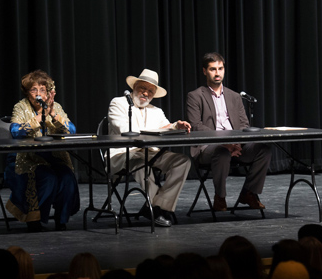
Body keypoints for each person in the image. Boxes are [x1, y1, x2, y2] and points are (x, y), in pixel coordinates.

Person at [186, 52, 271, 211]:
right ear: (205, 71)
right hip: (208, 147)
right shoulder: (195, 96)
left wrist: (236, 143)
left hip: (235, 144)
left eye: (220, 68)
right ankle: (220, 197)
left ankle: (249, 193)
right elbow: (196, 126)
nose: (217, 73)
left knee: (263, 149)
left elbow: (244, 124)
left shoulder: (234, 96)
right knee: (222, 151)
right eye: (212, 69)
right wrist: (226, 143)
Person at [107, 69, 192, 227]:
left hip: (151, 152)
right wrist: (159, 131)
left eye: (150, 91)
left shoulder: (156, 111)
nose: (145, 93)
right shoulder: (118, 103)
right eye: (142, 89)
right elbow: (125, 131)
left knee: (183, 161)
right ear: (134, 87)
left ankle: (157, 206)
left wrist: (176, 126)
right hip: (125, 154)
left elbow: (166, 126)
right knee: (142, 165)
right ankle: (156, 210)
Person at [4, 70, 80, 232]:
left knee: (67, 177)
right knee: (48, 178)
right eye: (34, 90)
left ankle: (61, 219)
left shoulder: (56, 106)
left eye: (42, 90)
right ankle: (36, 220)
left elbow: (71, 130)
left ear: (48, 93)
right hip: (26, 157)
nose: (38, 94)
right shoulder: (21, 106)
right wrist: (39, 117)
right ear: (27, 92)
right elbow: (15, 132)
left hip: (52, 156)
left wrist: (53, 114)